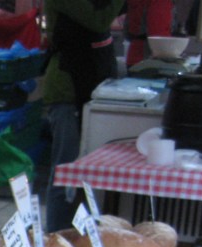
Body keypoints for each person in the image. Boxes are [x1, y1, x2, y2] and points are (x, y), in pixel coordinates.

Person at [43, 0, 126, 232]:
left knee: (83, 175)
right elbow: (97, 20)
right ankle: (55, 239)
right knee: (65, 172)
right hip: (67, 91)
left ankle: (78, 239)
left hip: (90, 87)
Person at [125, 0, 174, 67]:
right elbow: (158, 36)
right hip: (150, 60)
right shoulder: (160, 2)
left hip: (134, 55)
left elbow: (127, 29)